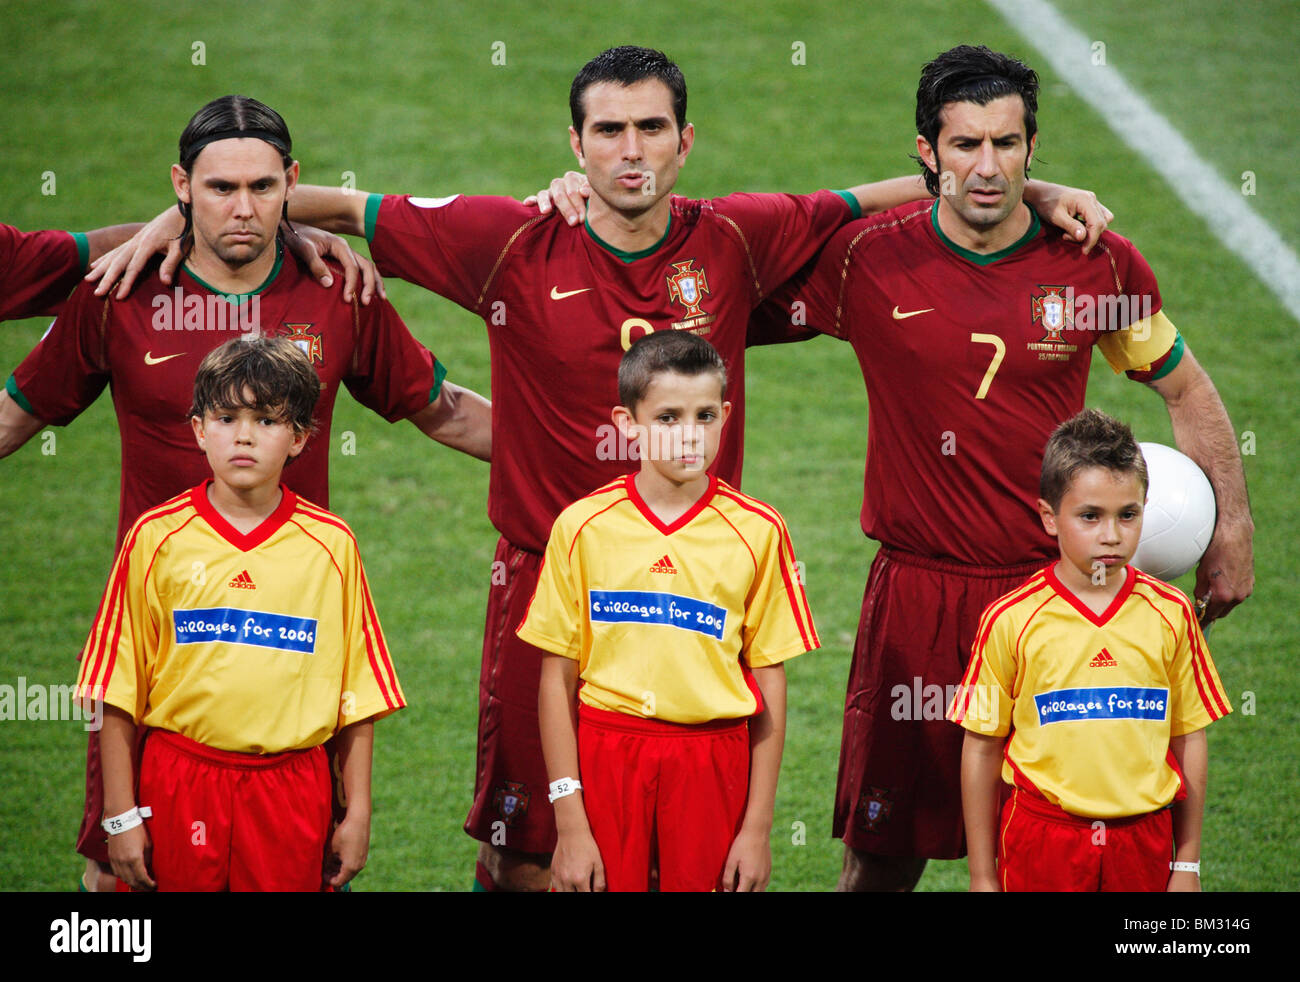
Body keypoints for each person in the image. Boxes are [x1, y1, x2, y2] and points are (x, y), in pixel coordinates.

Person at [93, 46, 1110, 891]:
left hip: (692, 588)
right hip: (544, 582)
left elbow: (860, 197)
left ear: (685, 141)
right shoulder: (505, 237)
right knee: (525, 856)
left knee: (693, 854)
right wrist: (177, 222)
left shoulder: (739, 236)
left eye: (652, 128)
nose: (631, 150)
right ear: (574, 145)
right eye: (609, 131)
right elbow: (331, 201)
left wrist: (1028, 186)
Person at [751, 44, 1253, 890]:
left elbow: (1186, 387)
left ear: (1032, 148)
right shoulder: (865, 259)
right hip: (918, 598)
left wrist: (1232, 527)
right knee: (880, 858)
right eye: (964, 146)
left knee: (1063, 844)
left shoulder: (1096, 263)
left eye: (1008, 145)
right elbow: (715, 288)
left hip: (1054, 604)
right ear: (925, 153)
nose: (988, 166)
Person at [0, 94, 490, 891]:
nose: (244, 207)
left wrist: (592, 460)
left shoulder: (336, 289)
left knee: (302, 864)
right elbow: (15, 418)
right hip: (163, 632)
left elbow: (445, 411)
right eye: (220, 187)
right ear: (180, 187)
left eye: (263, 188)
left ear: (292, 183)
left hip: (294, 634)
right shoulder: (119, 293)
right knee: (122, 873)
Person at [77, 334, 405, 891]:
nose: (244, 436)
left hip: (292, 788)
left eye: (267, 421)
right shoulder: (156, 538)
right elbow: (115, 690)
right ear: (200, 429)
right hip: (178, 781)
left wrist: (359, 812)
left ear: (299, 437)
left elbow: (359, 698)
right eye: (226, 417)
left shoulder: (332, 546)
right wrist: (121, 815)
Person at [521, 331, 816, 891]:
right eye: (668, 417)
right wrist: (568, 819)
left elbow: (770, 682)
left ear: (727, 415)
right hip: (607, 754)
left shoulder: (759, 530)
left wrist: (758, 827)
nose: (690, 436)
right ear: (626, 422)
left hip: (713, 760)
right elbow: (555, 680)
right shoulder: (582, 527)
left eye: (705, 415)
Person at [949, 408, 1230, 891]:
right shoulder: (1010, 618)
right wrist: (981, 876)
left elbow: (1189, 737)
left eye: (1128, 514)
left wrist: (1187, 865)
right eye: (1090, 516)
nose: (1111, 535)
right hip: (1042, 840)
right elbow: (981, 747)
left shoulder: (1173, 613)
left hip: (1144, 840)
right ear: (1048, 517)